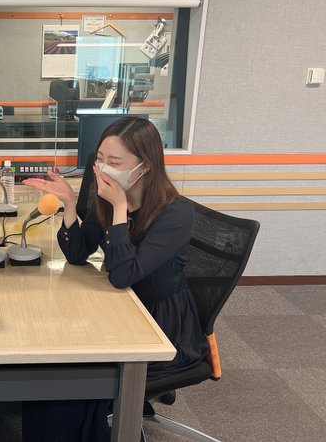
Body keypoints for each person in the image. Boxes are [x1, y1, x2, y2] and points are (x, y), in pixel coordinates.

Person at [21, 116, 209, 441]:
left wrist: (120, 208)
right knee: (54, 361)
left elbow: (123, 275)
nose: (103, 168)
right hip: (118, 306)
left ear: (145, 166)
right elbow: (78, 253)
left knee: (74, 379)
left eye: (115, 162)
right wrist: (69, 204)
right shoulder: (107, 197)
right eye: (99, 158)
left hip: (160, 327)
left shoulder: (175, 213)